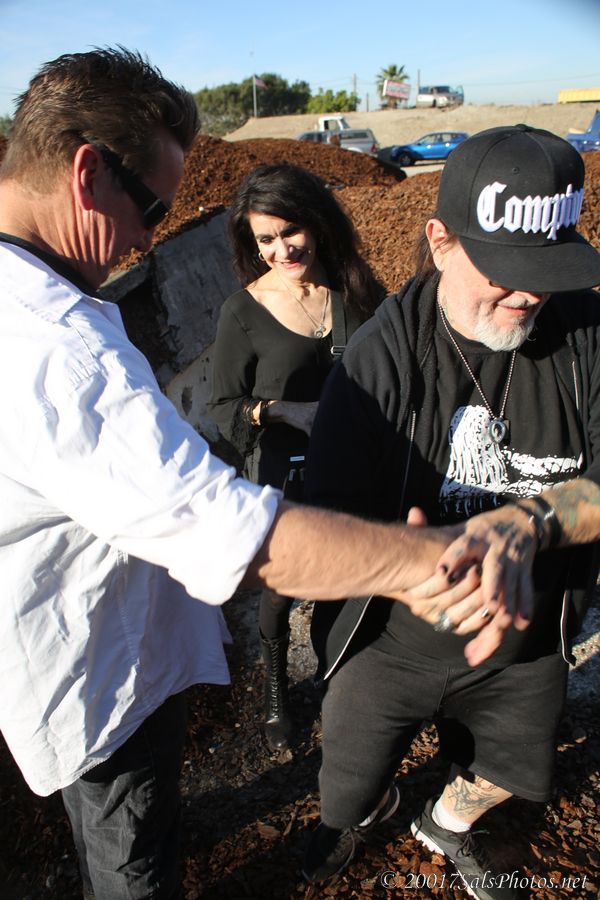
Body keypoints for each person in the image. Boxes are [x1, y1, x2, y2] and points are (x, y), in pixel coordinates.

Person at [0, 48, 497, 900]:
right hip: (102, 670)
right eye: (153, 208)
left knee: (132, 832)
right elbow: (231, 532)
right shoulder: (59, 352)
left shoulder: (43, 305)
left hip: (90, 644)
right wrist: (427, 561)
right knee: (131, 863)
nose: (148, 237)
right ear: (88, 174)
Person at [302, 124, 600, 898]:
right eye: (505, 272)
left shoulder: (586, 335)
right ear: (440, 242)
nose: (530, 294)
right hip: (390, 646)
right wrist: (401, 569)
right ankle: (373, 812)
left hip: (522, 648)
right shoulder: (376, 362)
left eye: (547, 269)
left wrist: (530, 523)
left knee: (508, 772)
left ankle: (445, 823)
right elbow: (318, 526)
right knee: (345, 789)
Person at [207, 163, 383, 751]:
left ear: (315, 222)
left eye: (290, 231)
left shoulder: (354, 287)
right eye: (266, 239)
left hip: (355, 464)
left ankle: (342, 678)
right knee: (282, 588)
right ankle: (276, 689)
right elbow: (223, 405)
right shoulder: (242, 312)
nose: (281, 250)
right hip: (286, 470)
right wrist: (285, 411)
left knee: (348, 575)